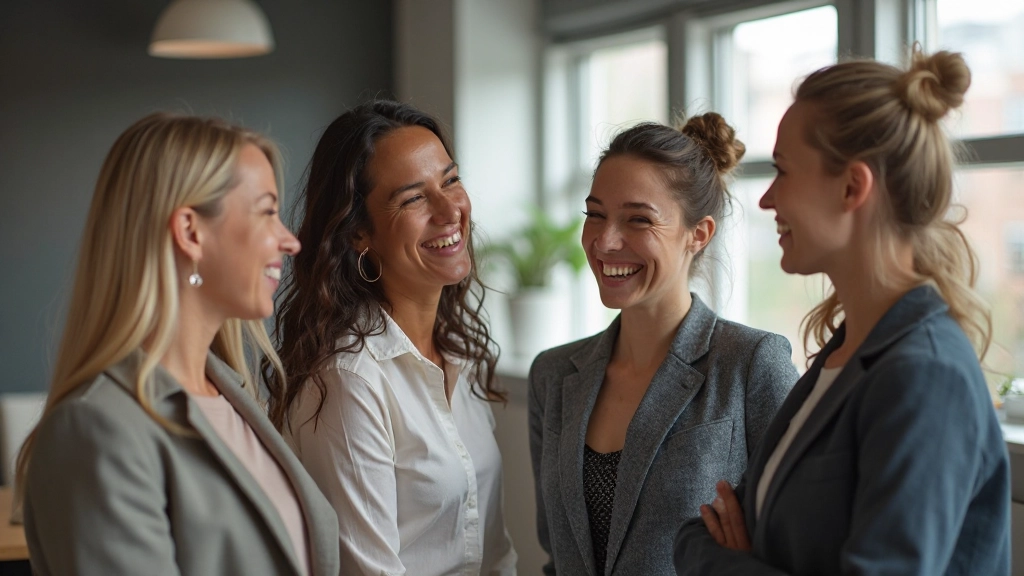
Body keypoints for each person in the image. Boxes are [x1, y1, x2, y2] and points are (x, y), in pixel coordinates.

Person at [673, 48, 1010, 576]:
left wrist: (724, 564)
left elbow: (708, 550)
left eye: (782, 171)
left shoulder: (925, 373)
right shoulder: (846, 352)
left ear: (853, 187)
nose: (765, 200)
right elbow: (698, 531)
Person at [18, 113, 340, 576]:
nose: (289, 241)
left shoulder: (232, 400)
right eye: (267, 211)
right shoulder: (97, 430)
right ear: (190, 231)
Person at [528, 113, 798, 575]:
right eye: (595, 214)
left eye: (638, 219)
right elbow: (557, 554)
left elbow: (799, 548)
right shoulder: (552, 375)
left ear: (698, 234)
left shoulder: (752, 365)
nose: (606, 241)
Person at [268, 100, 516, 576]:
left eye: (450, 180)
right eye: (414, 198)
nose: (450, 211)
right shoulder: (348, 379)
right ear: (360, 233)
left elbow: (497, 554)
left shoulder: (458, 353)